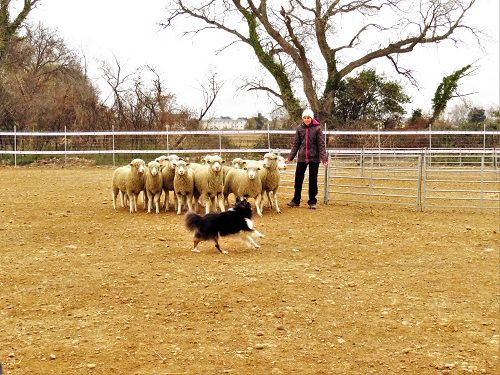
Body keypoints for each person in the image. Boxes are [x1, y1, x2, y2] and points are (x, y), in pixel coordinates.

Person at [286, 108, 328, 209]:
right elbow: (296, 144)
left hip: (314, 158)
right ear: (302, 118)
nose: (306, 119)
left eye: (308, 117)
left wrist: (324, 159)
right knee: (298, 179)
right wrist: (290, 157)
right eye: (304, 118)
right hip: (302, 157)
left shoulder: (317, 129)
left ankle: (312, 201)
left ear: (311, 118)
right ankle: (296, 200)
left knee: (313, 180)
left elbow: (321, 145)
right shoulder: (299, 128)